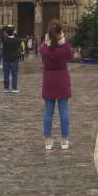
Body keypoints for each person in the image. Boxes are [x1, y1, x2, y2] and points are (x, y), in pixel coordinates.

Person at [40, 19, 73, 151]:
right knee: (64, 111)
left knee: (48, 112)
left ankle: (48, 140)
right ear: (61, 33)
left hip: (49, 79)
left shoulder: (43, 48)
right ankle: (64, 140)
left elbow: (44, 52)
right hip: (62, 79)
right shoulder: (65, 48)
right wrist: (63, 41)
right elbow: (70, 56)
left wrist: (48, 42)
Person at [0, 25, 20, 93]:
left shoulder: (5, 39)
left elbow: (1, 32)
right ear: (13, 32)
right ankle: (14, 88)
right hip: (14, 59)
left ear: (7, 32)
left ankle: (6, 88)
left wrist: (5, 27)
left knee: (6, 74)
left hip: (6, 59)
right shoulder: (16, 40)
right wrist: (14, 31)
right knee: (14, 74)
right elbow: (17, 36)